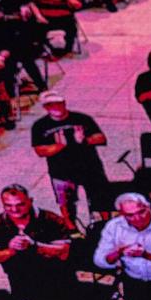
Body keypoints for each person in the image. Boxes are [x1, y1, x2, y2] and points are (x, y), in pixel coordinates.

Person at [30, 93, 111, 229]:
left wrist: (84, 140)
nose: (55, 106)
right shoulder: (40, 126)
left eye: (58, 103)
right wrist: (62, 145)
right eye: (50, 104)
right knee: (65, 203)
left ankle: (106, 225)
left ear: (64, 102)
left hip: (90, 167)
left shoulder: (82, 119)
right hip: (61, 171)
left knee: (100, 197)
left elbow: (101, 138)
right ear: (45, 107)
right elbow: (40, 150)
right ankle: (72, 229)